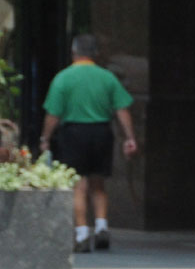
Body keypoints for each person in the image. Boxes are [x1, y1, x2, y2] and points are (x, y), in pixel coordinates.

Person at [39, 34, 137, 253]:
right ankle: (102, 227)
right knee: (98, 183)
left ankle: (82, 233)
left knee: (78, 185)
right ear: (96, 54)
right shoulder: (108, 78)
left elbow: (53, 114)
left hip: (73, 133)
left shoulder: (63, 78)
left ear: (74, 52)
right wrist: (130, 137)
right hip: (102, 132)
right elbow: (122, 109)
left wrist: (45, 138)